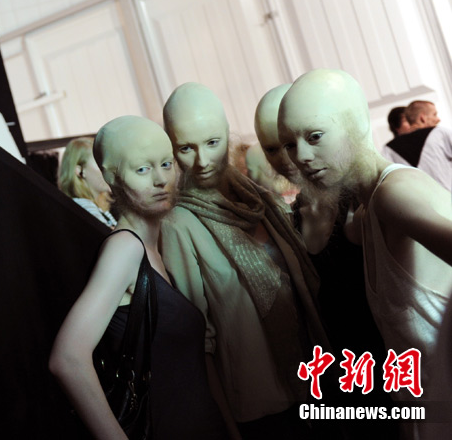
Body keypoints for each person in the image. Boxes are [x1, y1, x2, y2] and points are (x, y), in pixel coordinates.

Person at [278, 69, 452, 439]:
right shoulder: (365, 210)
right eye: (290, 144)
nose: (301, 157)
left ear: (356, 123)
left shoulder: (392, 195)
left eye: (315, 136)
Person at [159, 82, 328, 439]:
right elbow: (199, 339)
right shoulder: (179, 225)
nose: (202, 160)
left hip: (315, 380)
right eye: (186, 148)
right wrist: (228, 428)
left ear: (227, 133)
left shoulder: (262, 202)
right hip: (261, 406)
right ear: (172, 149)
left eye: (212, 142)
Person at [49, 116, 227, 439]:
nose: (161, 179)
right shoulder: (125, 249)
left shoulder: (155, 247)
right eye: (142, 169)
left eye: (166, 164)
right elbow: (67, 358)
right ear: (111, 177)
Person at [256, 84, 393, 439]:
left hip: (385, 372)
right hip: (336, 376)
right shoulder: (292, 214)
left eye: (307, 139)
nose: (291, 158)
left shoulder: (362, 199)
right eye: (276, 147)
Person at [385, 100, 452, 191]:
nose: (438, 119)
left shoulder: (389, 149)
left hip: (418, 199)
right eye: (434, 114)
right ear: (422, 118)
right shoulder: (439, 133)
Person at [58, 137, 116, 228]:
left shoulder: (98, 208)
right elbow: (112, 234)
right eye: (100, 163)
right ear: (79, 171)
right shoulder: (82, 206)